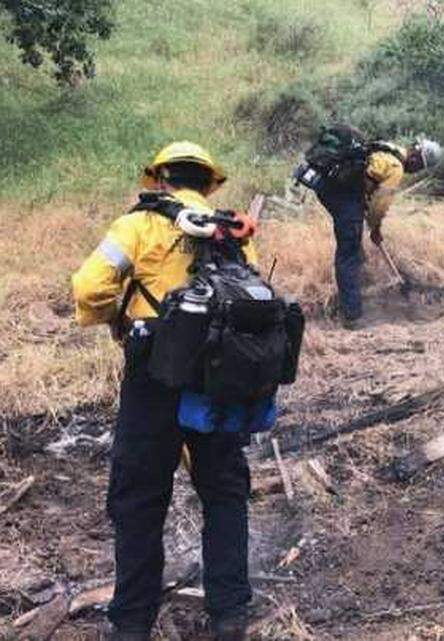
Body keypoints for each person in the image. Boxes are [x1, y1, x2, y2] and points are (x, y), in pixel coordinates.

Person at [72, 142, 255, 641]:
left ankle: (131, 623)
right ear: (208, 183)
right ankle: (230, 614)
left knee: (138, 498)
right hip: (220, 377)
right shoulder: (232, 231)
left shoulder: (139, 224)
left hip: (154, 374)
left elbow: (89, 289)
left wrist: (117, 316)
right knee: (224, 490)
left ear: (159, 179)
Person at [310, 126, 441, 329]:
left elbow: (367, 181)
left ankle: (356, 293)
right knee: (349, 254)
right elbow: (380, 205)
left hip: (328, 187)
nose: (416, 171)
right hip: (343, 195)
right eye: (420, 167)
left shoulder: (390, 149)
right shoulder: (396, 168)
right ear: (417, 159)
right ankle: (352, 316)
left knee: (354, 247)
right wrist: (375, 228)